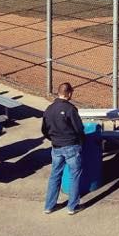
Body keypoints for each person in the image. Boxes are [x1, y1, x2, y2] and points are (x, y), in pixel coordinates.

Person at [42, 82, 86, 215]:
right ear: (69, 93)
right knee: (74, 176)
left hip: (56, 147)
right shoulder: (70, 109)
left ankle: (49, 206)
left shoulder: (49, 109)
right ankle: (72, 206)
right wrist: (81, 141)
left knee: (55, 175)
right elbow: (79, 129)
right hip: (71, 146)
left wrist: (53, 139)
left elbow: (44, 130)